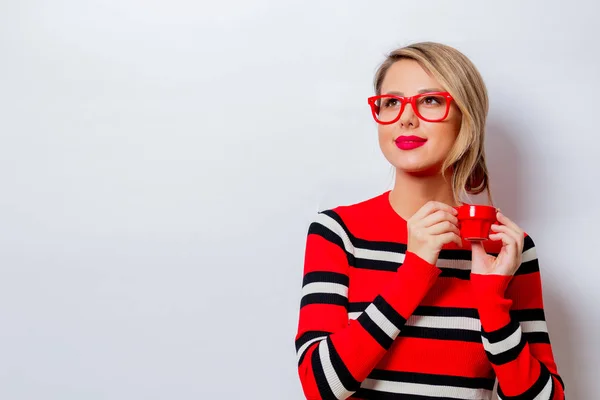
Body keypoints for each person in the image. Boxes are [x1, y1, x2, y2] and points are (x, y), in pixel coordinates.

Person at [294, 42, 565, 400]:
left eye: (430, 101)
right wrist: (416, 268)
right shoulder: (338, 232)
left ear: (465, 118)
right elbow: (320, 386)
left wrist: (491, 301)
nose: (406, 117)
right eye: (391, 102)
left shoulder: (507, 248)